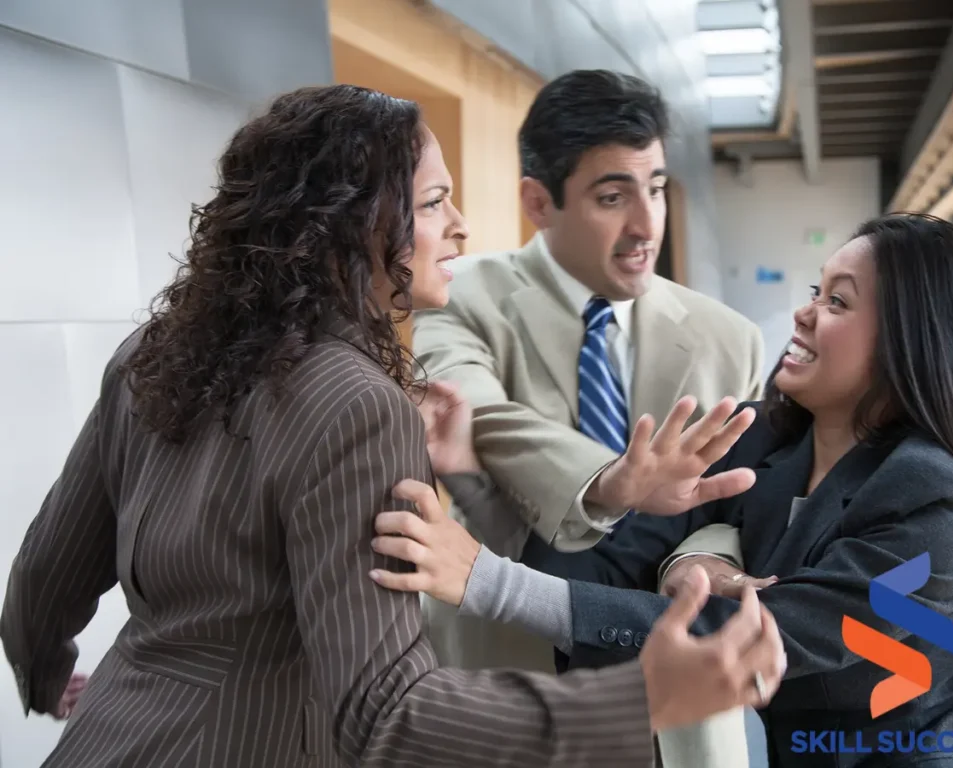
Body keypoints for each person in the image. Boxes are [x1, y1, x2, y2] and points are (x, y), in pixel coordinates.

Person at [0, 84, 787, 768]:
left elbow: (39, 588)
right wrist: (642, 698)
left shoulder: (149, 351)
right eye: (436, 202)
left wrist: (49, 674)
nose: (462, 227)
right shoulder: (358, 403)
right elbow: (385, 716)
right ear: (357, 222)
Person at [372, 213, 953, 767]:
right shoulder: (758, 442)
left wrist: (482, 578)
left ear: (914, 341)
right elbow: (606, 569)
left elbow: (747, 638)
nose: (802, 312)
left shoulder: (930, 500)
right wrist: (468, 478)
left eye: (838, 302)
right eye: (815, 290)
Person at [412, 68, 763, 766]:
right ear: (539, 202)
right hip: (508, 680)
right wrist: (610, 482)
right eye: (613, 196)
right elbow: (474, 410)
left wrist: (701, 557)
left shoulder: (731, 339)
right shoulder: (461, 293)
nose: (646, 225)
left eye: (656, 188)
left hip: (676, 709)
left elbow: (740, 502)